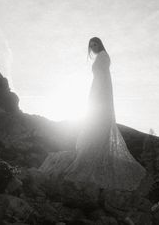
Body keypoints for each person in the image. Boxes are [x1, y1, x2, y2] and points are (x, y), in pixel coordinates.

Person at [40, 37, 147, 191]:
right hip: (98, 92)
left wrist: (97, 96)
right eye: (91, 45)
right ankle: (93, 158)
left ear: (100, 44)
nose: (93, 47)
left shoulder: (103, 56)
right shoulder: (101, 57)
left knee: (96, 126)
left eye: (95, 44)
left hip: (101, 93)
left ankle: (93, 162)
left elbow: (104, 79)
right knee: (94, 127)